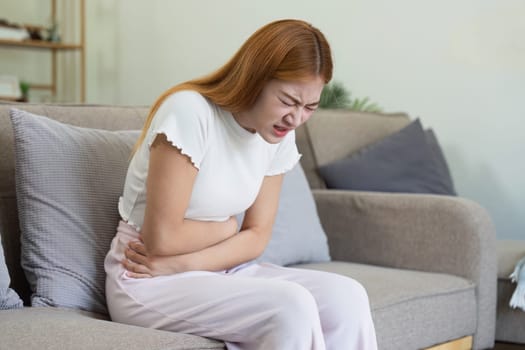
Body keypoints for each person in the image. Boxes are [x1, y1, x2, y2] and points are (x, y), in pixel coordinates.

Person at [104, 19, 378, 350]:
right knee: (290, 306)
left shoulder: (279, 135)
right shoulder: (190, 112)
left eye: (310, 107)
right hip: (144, 275)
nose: (296, 119)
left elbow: (257, 237)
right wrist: (225, 229)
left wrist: (186, 261)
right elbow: (162, 239)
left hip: (214, 268)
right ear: (255, 78)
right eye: (288, 100)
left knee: (347, 297)